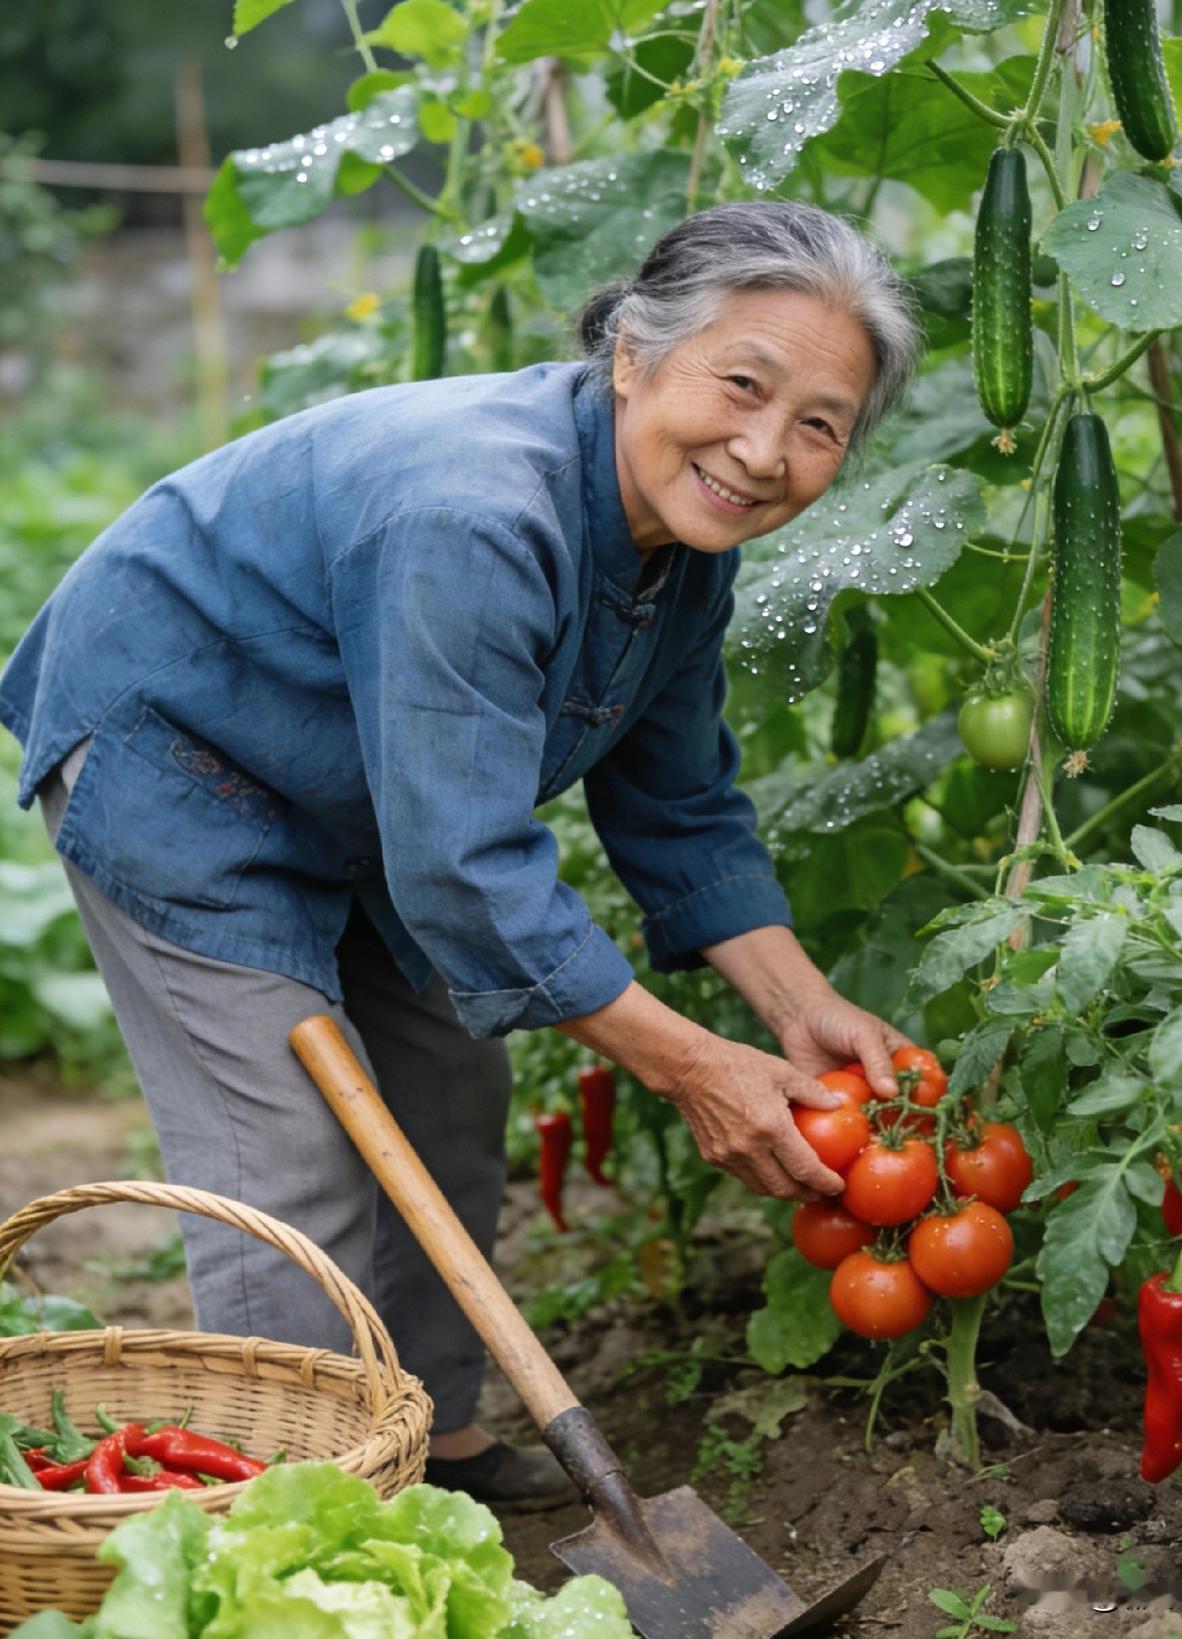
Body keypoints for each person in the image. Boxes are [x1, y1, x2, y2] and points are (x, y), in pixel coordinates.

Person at [0, 200, 921, 1506]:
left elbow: (681, 808)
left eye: (819, 424)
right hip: (182, 750)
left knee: (447, 1078)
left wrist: (799, 1007)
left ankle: (427, 1444)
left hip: (364, 777)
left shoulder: (681, 546)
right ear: (630, 355)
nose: (763, 449)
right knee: (286, 1149)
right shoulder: (477, 510)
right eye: (741, 384)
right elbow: (466, 871)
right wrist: (695, 1065)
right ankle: (293, 1511)